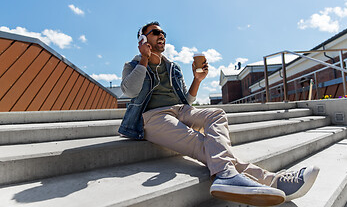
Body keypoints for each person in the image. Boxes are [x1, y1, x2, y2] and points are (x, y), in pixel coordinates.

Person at [118, 21, 319, 206]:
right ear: (143, 39)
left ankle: (228, 176)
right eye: (155, 32)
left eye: (163, 32)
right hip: (153, 117)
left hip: (181, 110)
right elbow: (130, 91)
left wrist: (198, 80)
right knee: (202, 144)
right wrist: (144, 58)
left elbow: (186, 101)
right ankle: (273, 181)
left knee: (217, 114)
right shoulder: (133, 65)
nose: (161, 35)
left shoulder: (173, 68)